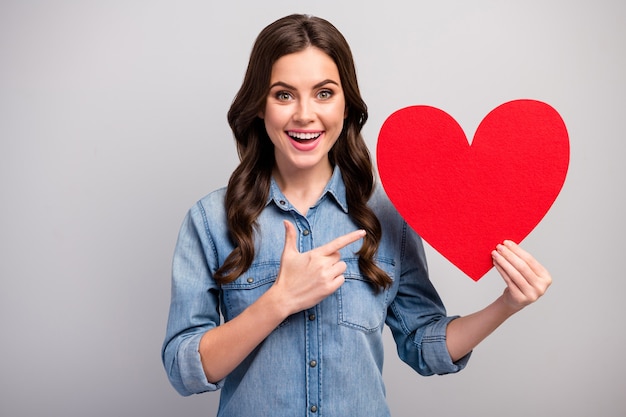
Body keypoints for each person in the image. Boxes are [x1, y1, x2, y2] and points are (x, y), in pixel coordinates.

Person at [161, 14, 552, 416]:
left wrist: (507, 303)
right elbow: (184, 369)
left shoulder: (387, 217)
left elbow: (423, 344)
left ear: (347, 105)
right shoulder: (210, 221)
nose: (304, 115)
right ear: (259, 106)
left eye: (324, 93)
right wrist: (278, 301)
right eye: (283, 95)